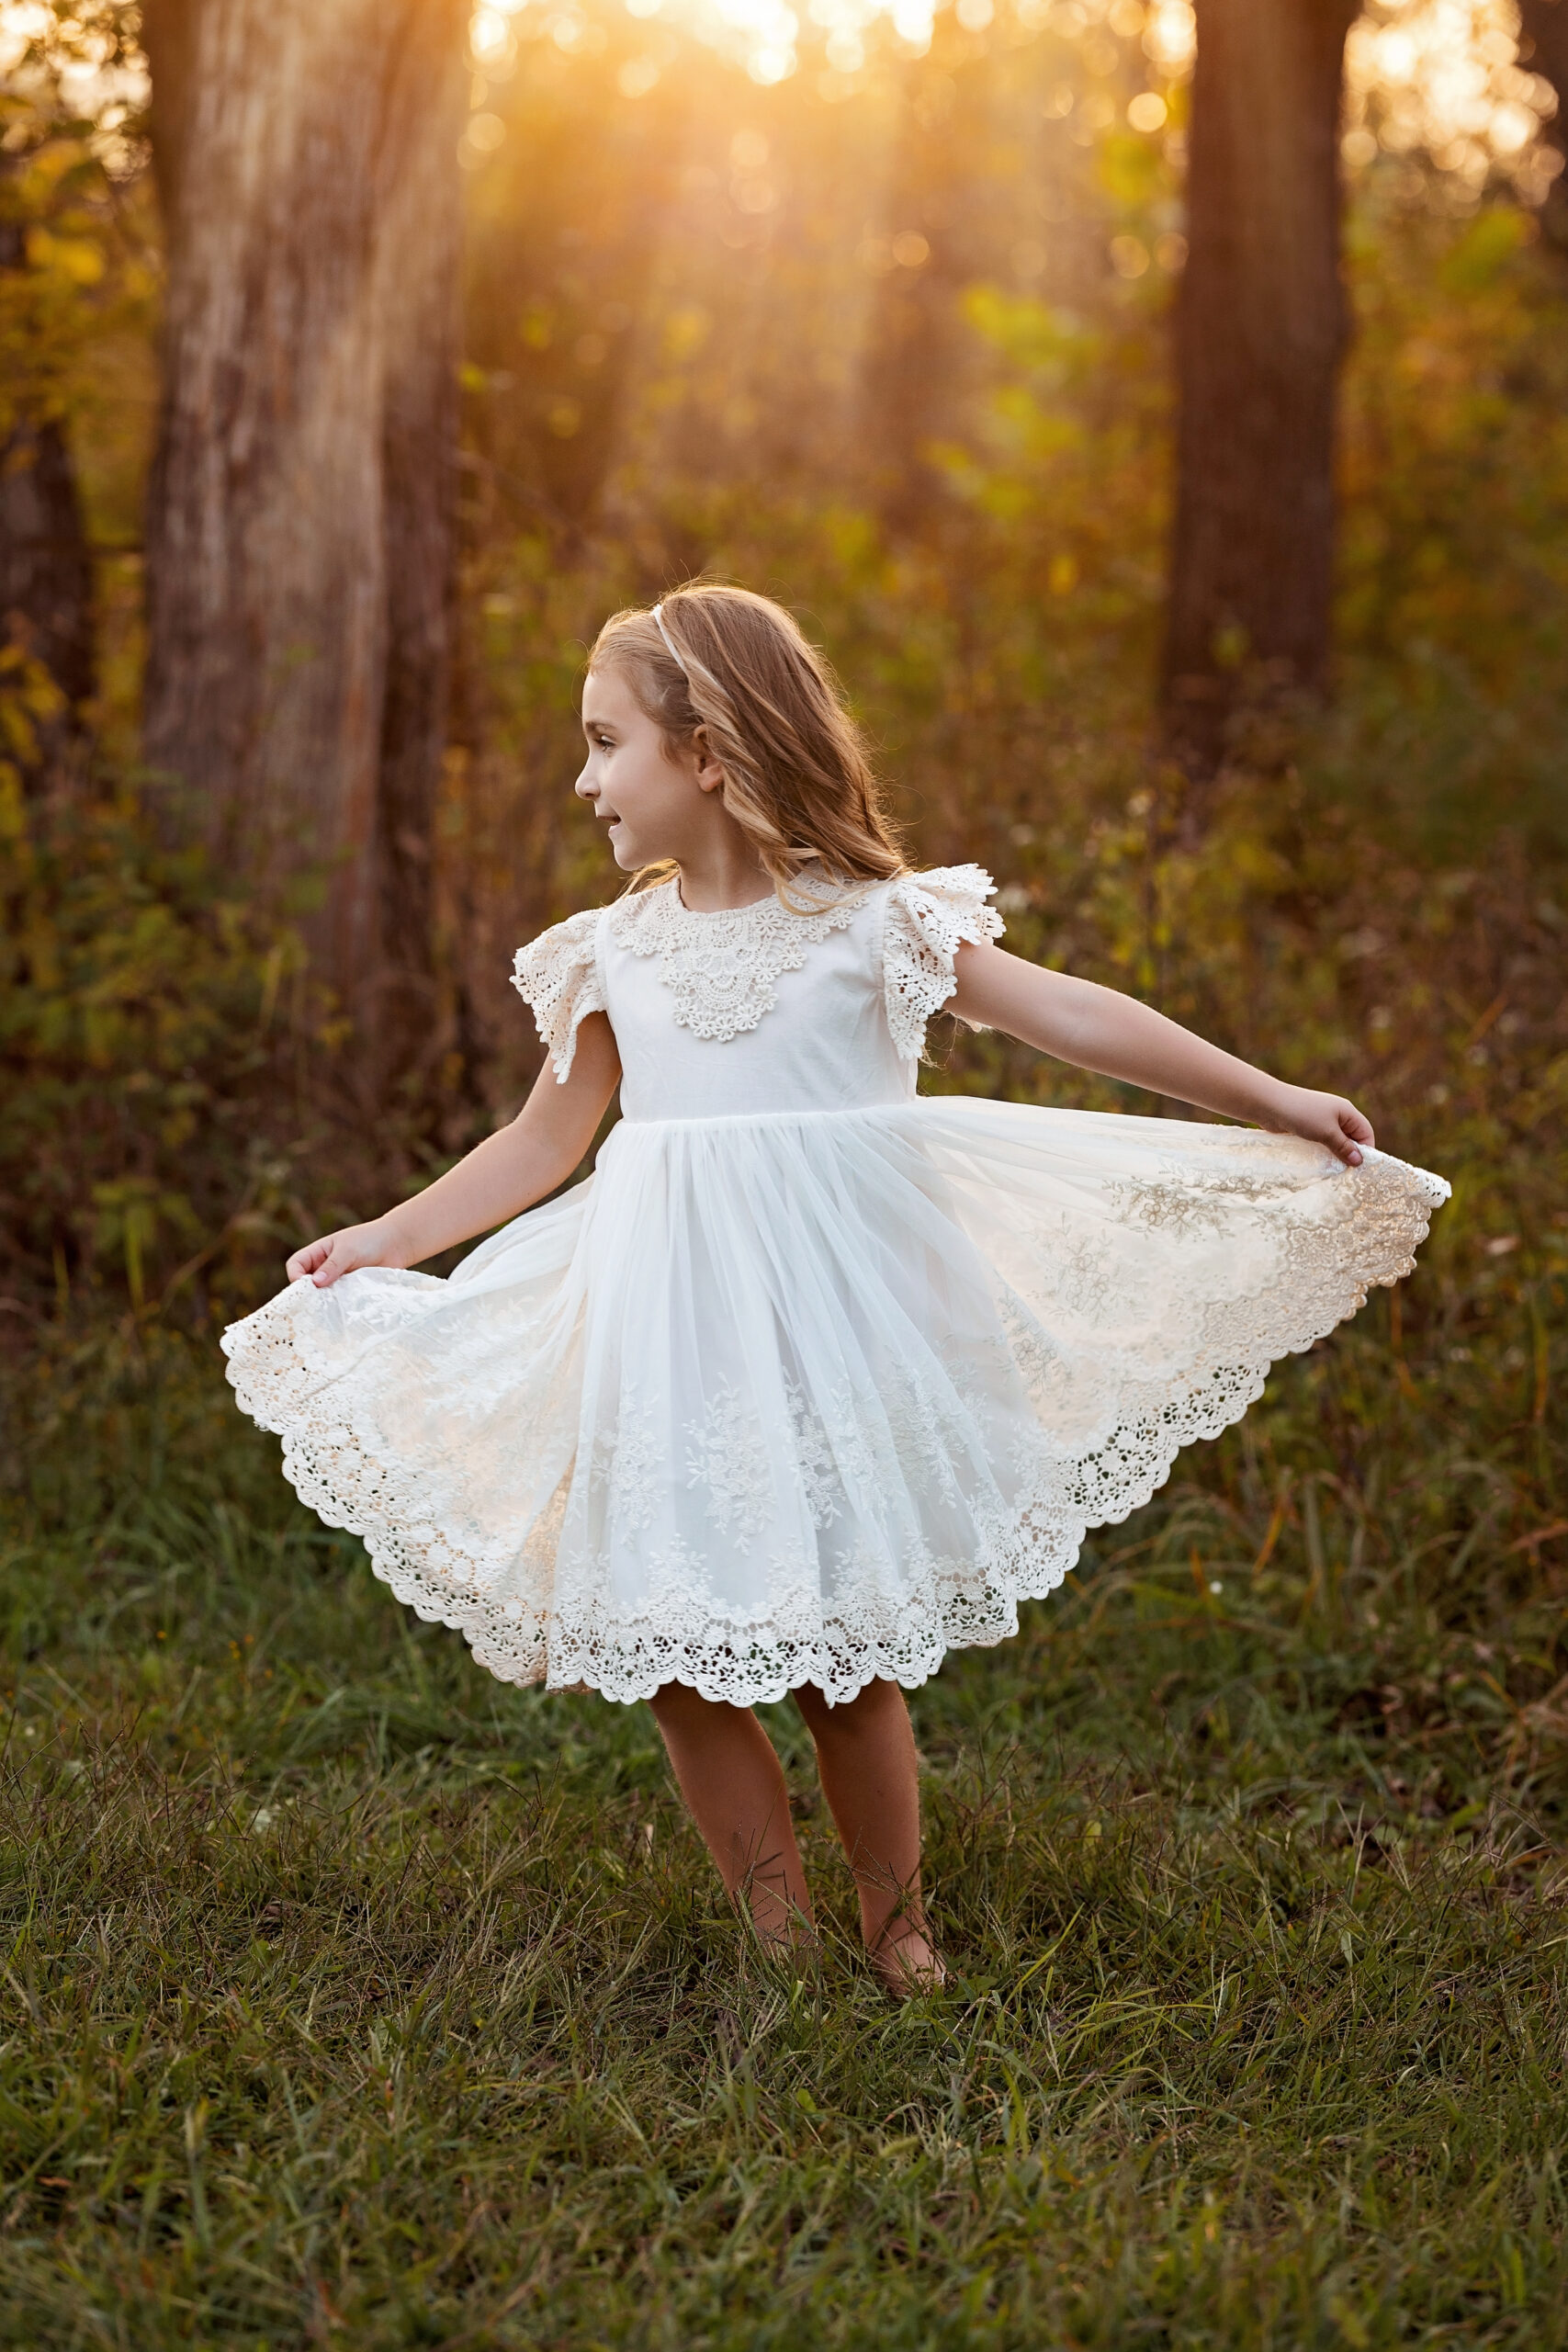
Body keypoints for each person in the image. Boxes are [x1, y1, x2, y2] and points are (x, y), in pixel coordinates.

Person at [223, 583, 1447, 1994]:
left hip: (835, 1340)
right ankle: (778, 1937)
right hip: (667, 1334)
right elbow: (545, 1140)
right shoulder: (613, 951)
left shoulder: (875, 926)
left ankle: (896, 1928)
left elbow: (1073, 1015)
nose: (582, 778)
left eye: (605, 742)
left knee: (842, 1660)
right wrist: (388, 1233)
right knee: (674, 1653)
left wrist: (1271, 1094)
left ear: (710, 752)